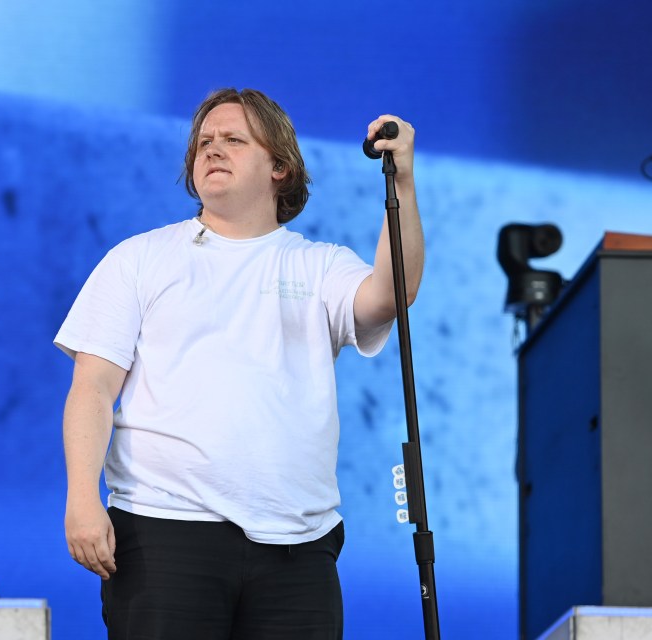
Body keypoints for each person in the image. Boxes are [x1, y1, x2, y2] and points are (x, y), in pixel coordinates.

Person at [55, 87, 424, 639]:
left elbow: (392, 294)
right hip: (164, 531)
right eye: (204, 142)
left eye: (233, 139)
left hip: (299, 544)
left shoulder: (320, 265)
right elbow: (92, 388)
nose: (212, 150)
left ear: (280, 166)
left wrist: (402, 181)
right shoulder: (139, 259)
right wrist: (82, 500)